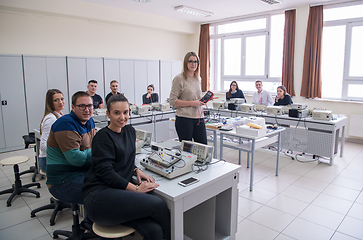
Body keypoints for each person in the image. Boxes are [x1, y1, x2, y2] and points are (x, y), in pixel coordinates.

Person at [82, 94, 171, 240]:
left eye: (125, 112)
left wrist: (137, 170)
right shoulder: (103, 137)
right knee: (158, 205)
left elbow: (125, 159)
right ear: (108, 114)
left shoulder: (129, 131)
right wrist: (136, 189)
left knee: (154, 230)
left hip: (117, 193)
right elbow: (106, 173)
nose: (122, 117)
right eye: (117, 113)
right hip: (98, 197)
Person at [46, 91, 95, 204]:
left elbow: (95, 147)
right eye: (82, 106)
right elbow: (76, 159)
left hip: (81, 171)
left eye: (90, 106)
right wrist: (100, 154)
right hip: (63, 180)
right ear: (73, 107)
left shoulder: (89, 121)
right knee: (103, 190)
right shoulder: (65, 124)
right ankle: (88, 222)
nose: (87, 110)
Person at [169, 52, 207, 144]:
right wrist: (193, 103)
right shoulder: (179, 79)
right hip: (184, 118)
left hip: (198, 117)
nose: (193, 64)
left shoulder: (198, 78)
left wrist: (204, 100)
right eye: (190, 61)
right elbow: (172, 101)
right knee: (187, 150)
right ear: (186, 63)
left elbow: (194, 96)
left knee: (203, 147)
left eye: (195, 61)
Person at [39, 89, 65, 174]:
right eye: (56, 100)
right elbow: (43, 145)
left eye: (62, 99)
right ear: (50, 103)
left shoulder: (59, 115)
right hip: (47, 160)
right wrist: (62, 149)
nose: (60, 102)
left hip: (53, 157)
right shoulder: (51, 119)